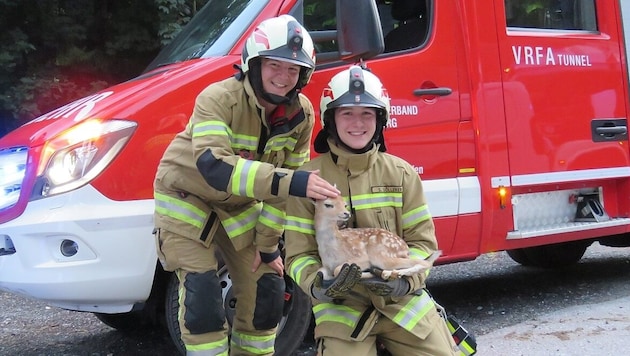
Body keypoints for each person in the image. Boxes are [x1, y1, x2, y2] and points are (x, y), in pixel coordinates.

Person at [153, 15, 340, 356]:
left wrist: (268, 248)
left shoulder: (301, 115)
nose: (283, 77)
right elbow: (215, 167)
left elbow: (282, 192)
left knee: (268, 293)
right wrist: (293, 182)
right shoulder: (218, 98)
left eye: (293, 70)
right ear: (253, 63)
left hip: (239, 204)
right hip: (187, 197)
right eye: (274, 65)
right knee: (203, 300)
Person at [284, 65, 460, 355]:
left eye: (367, 113)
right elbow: (297, 255)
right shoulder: (307, 181)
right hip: (343, 310)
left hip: (403, 305)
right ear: (330, 118)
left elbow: (422, 244)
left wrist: (405, 284)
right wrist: (320, 285)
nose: (358, 123)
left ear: (380, 120)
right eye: (347, 113)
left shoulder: (401, 175)